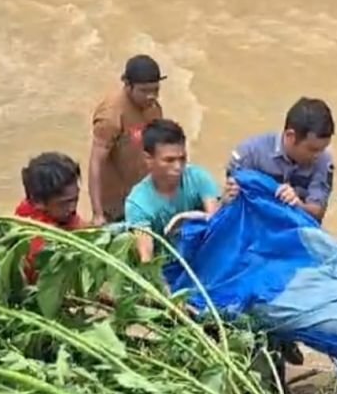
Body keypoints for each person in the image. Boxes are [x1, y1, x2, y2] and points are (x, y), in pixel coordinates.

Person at [225, 97, 335, 222]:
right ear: (290, 136)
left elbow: (317, 212)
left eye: (323, 149)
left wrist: (298, 205)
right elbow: (229, 204)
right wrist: (229, 198)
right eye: (312, 149)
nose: (318, 155)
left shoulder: (324, 160)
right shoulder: (249, 155)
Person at [125, 119, 221, 263]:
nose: (178, 166)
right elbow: (147, 258)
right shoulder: (138, 203)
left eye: (182, 158)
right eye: (169, 160)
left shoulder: (199, 177)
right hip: (167, 264)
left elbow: (216, 224)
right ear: (148, 159)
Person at [88, 54, 165, 226]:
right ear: (127, 85)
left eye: (155, 90)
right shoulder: (111, 115)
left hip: (145, 195)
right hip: (116, 205)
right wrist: (97, 213)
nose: (151, 96)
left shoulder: (153, 108)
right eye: (144, 91)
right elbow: (96, 163)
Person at [15, 152, 87, 282]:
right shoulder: (38, 242)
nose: (72, 208)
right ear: (38, 203)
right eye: (65, 203)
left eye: (75, 200)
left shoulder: (59, 213)